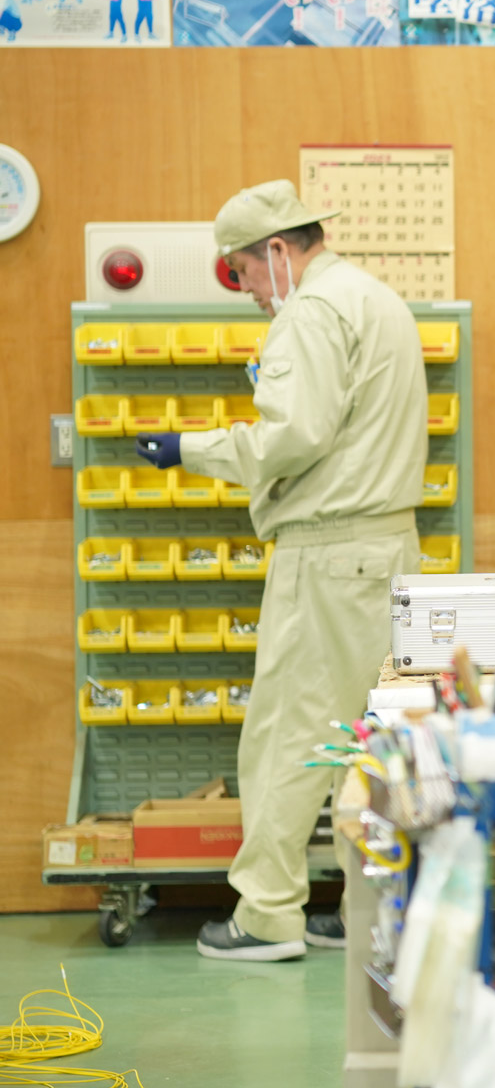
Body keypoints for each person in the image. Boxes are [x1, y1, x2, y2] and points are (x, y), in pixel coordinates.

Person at [133, 181, 427, 961]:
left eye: (241, 273)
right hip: (388, 549)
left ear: (276, 251)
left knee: (288, 734)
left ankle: (267, 915)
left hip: (328, 552)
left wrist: (191, 449)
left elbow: (291, 437)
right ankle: (368, 907)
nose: (248, 292)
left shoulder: (311, 311)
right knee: (364, 738)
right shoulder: (376, 300)